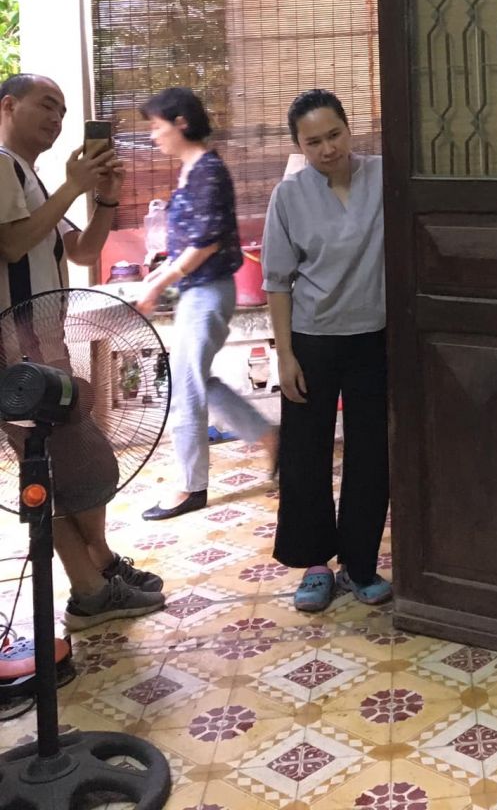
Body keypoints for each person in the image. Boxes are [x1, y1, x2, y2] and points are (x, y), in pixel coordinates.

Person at [0, 74, 165, 630]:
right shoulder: (1, 165)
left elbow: (84, 249)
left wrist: (106, 197)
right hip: (17, 357)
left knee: (64, 469)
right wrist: (73, 186)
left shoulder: (31, 178)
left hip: (42, 350)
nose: (58, 119)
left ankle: (97, 571)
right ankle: (91, 588)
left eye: (64, 112)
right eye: (47, 106)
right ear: (8, 106)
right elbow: (12, 243)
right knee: (74, 466)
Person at [262, 89, 390, 611]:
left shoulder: (384, 177)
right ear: (299, 145)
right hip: (312, 339)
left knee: (371, 453)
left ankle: (359, 564)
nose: (327, 149)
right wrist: (285, 356)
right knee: (304, 453)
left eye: (334, 135)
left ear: (349, 129)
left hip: (375, 337)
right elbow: (277, 282)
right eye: (313, 142)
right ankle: (315, 564)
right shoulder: (289, 196)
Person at [136, 87, 275, 520]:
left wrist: (158, 286)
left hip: (208, 291)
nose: (153, 136)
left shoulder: (208, 172)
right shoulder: (192, 171)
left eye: (156, 126)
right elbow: (185, 247)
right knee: (194, 379)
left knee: (186, 387)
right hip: (197, 291)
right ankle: (269, 435)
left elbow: (205, 244)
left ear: (181, 123)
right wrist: (156, 278)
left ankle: (189, 486)